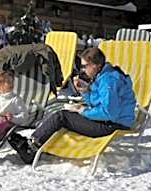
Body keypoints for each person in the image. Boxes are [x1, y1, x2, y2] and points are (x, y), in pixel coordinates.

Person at [8, 47, 136, 163]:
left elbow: (109, 113)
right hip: (108, 121)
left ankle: (31, 148)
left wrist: (83, 111)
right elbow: (97, 103)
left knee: (62, 117)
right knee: (64, 112)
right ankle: (38, 142)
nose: (83, 70)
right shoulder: (103, 76)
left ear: (96, 65)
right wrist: (84, 91)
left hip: (113, 125)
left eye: (85, 66)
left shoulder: (108, 82)